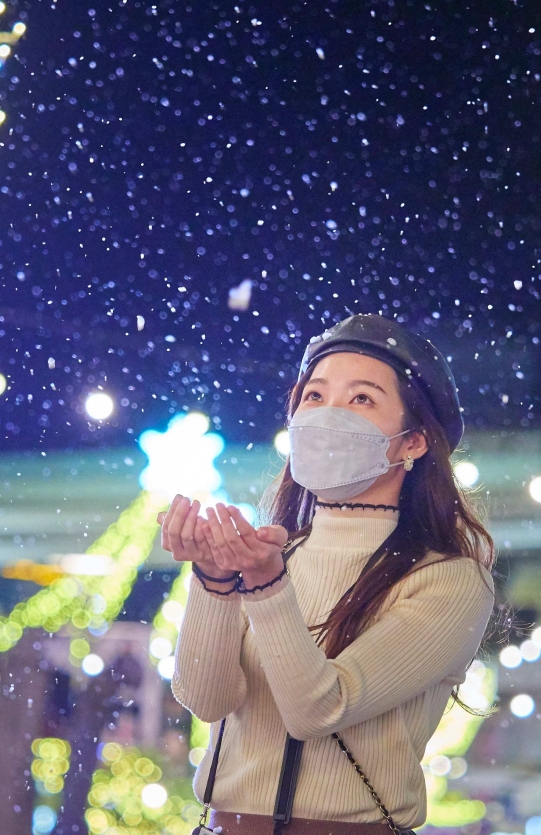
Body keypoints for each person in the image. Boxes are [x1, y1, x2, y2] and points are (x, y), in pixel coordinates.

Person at [159, 314, 496, 835]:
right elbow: (206, 699)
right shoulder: (272, 555)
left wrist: (266, 587)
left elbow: (318, 708)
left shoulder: (448, 580)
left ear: (413, 442)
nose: (326, 416)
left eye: (362, 399)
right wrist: (214, 578)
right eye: (314, 396)